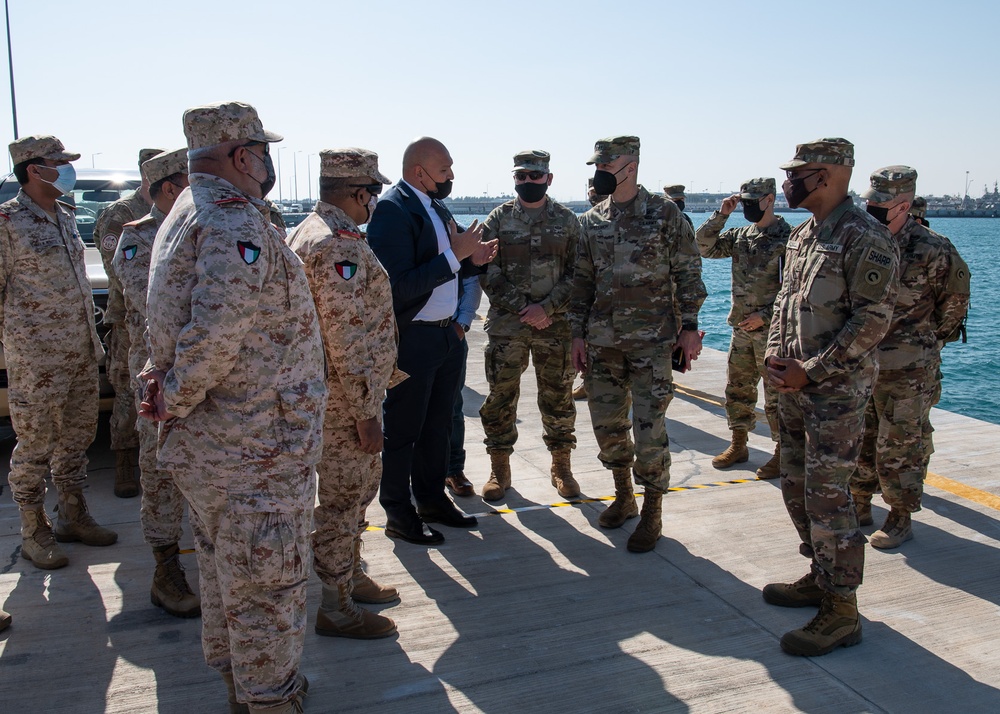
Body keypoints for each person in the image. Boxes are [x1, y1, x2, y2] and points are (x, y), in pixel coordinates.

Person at [141, 101, 321, 714]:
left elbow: (169, 329)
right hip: (256, 454)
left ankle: (239, 690)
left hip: (214, 450)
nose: (267, 164)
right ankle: (269, 701)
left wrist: (165, 389)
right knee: (268, 591)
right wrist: (174, 395)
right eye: (263, 153)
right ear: (244, 157)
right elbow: (214, 333)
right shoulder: (233, 221)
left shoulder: (185, 211)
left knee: (227, 580)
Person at [763, 138, 899, 657]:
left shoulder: (864, 236)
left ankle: (842, 610)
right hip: (793, 388)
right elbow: (785, 302)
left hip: (835, 393)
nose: (787, 184)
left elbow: (873, 321)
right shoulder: (803, 235)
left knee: (827, 496)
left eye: (798, 174)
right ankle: (820, 576)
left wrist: (812, 370)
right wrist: (777, 359)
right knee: (795, 485)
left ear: (828, 175)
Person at [569, 136, 706, 553]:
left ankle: (652, 512)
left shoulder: (664, 215)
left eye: (606, 167)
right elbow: (582, 282)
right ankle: (623, 496)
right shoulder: (591, 221)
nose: (598, 175)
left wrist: (691, 327)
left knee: (650, 432)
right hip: (603, 343)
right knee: (608, 427)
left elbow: (688, 272)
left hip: (652, 343)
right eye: (597, 167)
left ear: (630, 168)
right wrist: (577, 334)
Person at [286, 148, 402, 640]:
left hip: (331, 397)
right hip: (343, 405)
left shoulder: (309, 231)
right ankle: (335, 604)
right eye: (373, 193)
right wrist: (364, 411)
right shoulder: (337, 246)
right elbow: (346, 335)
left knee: (352, 496)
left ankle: (349, 575)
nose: (373, 202)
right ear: (360, 193)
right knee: (343, 499)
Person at [367, 137, 496, 546]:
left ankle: (430, 499)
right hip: (414, 339)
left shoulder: (435, 206)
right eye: (445, 171)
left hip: (445, 337)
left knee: (437, 426)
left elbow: (452, 263)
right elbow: (397, 286)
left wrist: (472, 260)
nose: (452, 177)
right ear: (418, 172)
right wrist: (455, 257)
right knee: (403, 431)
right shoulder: (392, 210)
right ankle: (397, 512)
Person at [1, 135, 117, 571]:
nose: (66, 171)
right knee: (34, 446)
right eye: (59, 163)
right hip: (38, 360)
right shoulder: (7, 222)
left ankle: (72, 514)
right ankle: (33, 531)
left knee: (77, 440)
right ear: (34, 169)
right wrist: (22, 342)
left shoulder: (65, 216)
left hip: (81, 351)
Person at [851, 166, 971, 548]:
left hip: (909, 369)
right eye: (868, 203)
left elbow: (954, 306)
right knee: (860, 438)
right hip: (862, 362)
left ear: (903, 205)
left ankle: (900, 515)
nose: (871, 210)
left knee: (900, 445)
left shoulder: (934, 248)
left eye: (880, 205)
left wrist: (925, 343)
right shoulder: (863, 241)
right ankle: (859, 504)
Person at [112, 148, 200, 619]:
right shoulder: (139, 239)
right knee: (161, 471)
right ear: (169, 188)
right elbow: (154, 307)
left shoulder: (201, 229)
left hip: (203, 374)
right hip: (160, 379)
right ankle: (166, 571)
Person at [479, 150, 580, 501]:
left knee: (558, 399)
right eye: (521, 176)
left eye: (534, 176)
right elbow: (486, 269)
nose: (527, 182)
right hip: (509, 326)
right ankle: (499, 468)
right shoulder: (499, 218)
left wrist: (548, 308)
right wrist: (525, 308)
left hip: (555, 326)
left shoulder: (568, 221)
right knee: (500, 398)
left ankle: (561, 466)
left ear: (548, 179)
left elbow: (578, 273)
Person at [695, 178, 790, 478]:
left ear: (770, 200)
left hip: (773, 332)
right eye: (744, 201)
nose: (748, 206)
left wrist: (766, 315)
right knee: (737, 389)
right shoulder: (740, 236)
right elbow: (703, 246)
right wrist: (721, 215)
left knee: (776, 397)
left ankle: (782, 453)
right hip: (741, 330)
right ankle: (739, 443)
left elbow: (796, 288)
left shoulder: (788, 238)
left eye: (754, 201)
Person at [94, 146, 163, 498]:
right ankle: (124, 461)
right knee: (127, 392)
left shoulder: (174, 209)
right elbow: (117, 270)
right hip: (129, 321)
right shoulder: (122, 214)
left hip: (164, 322)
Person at [445, 272, 483, 498]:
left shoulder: (458, 236)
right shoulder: (402, 236)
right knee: (409, 406)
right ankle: (407, 471)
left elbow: (471, 281)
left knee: (452, 407)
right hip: (411, 333)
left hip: (453, 333)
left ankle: (453, 470)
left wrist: (463, 323)